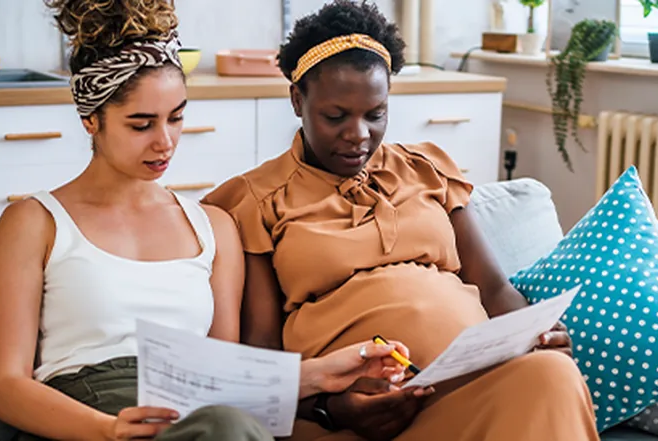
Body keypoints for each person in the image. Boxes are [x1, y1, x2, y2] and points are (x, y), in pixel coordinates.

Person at [0, 1, 416, 440]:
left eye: (177, 117)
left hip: (197, 420)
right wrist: (108, 429)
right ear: (91, 120)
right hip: (84, 417)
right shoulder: (34, 223)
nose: (165, 142)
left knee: (231, 423)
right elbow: (5, 386)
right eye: (141, 124)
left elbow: (225, 379)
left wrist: (325, 373)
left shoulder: (214, 227)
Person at [200, 1, 603, 440]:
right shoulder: (257, 201)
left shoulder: (427, 169)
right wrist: (329, 407)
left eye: (376, 114)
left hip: (474, 386)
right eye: (335, 117)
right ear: (298, 100)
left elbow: (493, 289)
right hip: (364, 413)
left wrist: (537, 337)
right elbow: (261, 348)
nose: (358, 134)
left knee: (551, 374)